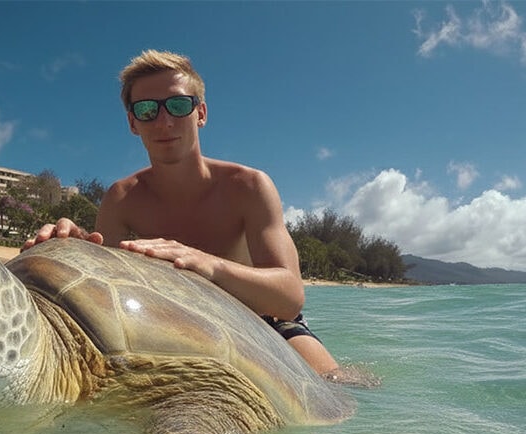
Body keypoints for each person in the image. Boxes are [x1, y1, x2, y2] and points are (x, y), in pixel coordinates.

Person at [23, 50, 340, 377]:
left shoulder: (249, 186)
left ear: (200, 113)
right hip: (172, 327)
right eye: (147, 110)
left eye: (178, 105)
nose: (164, 122)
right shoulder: (122, 199)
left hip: (260, 318)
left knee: (338, 387)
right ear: (133, 123)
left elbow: (289, 298)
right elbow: (103, 300)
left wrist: (209, 264)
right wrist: (73, 250)